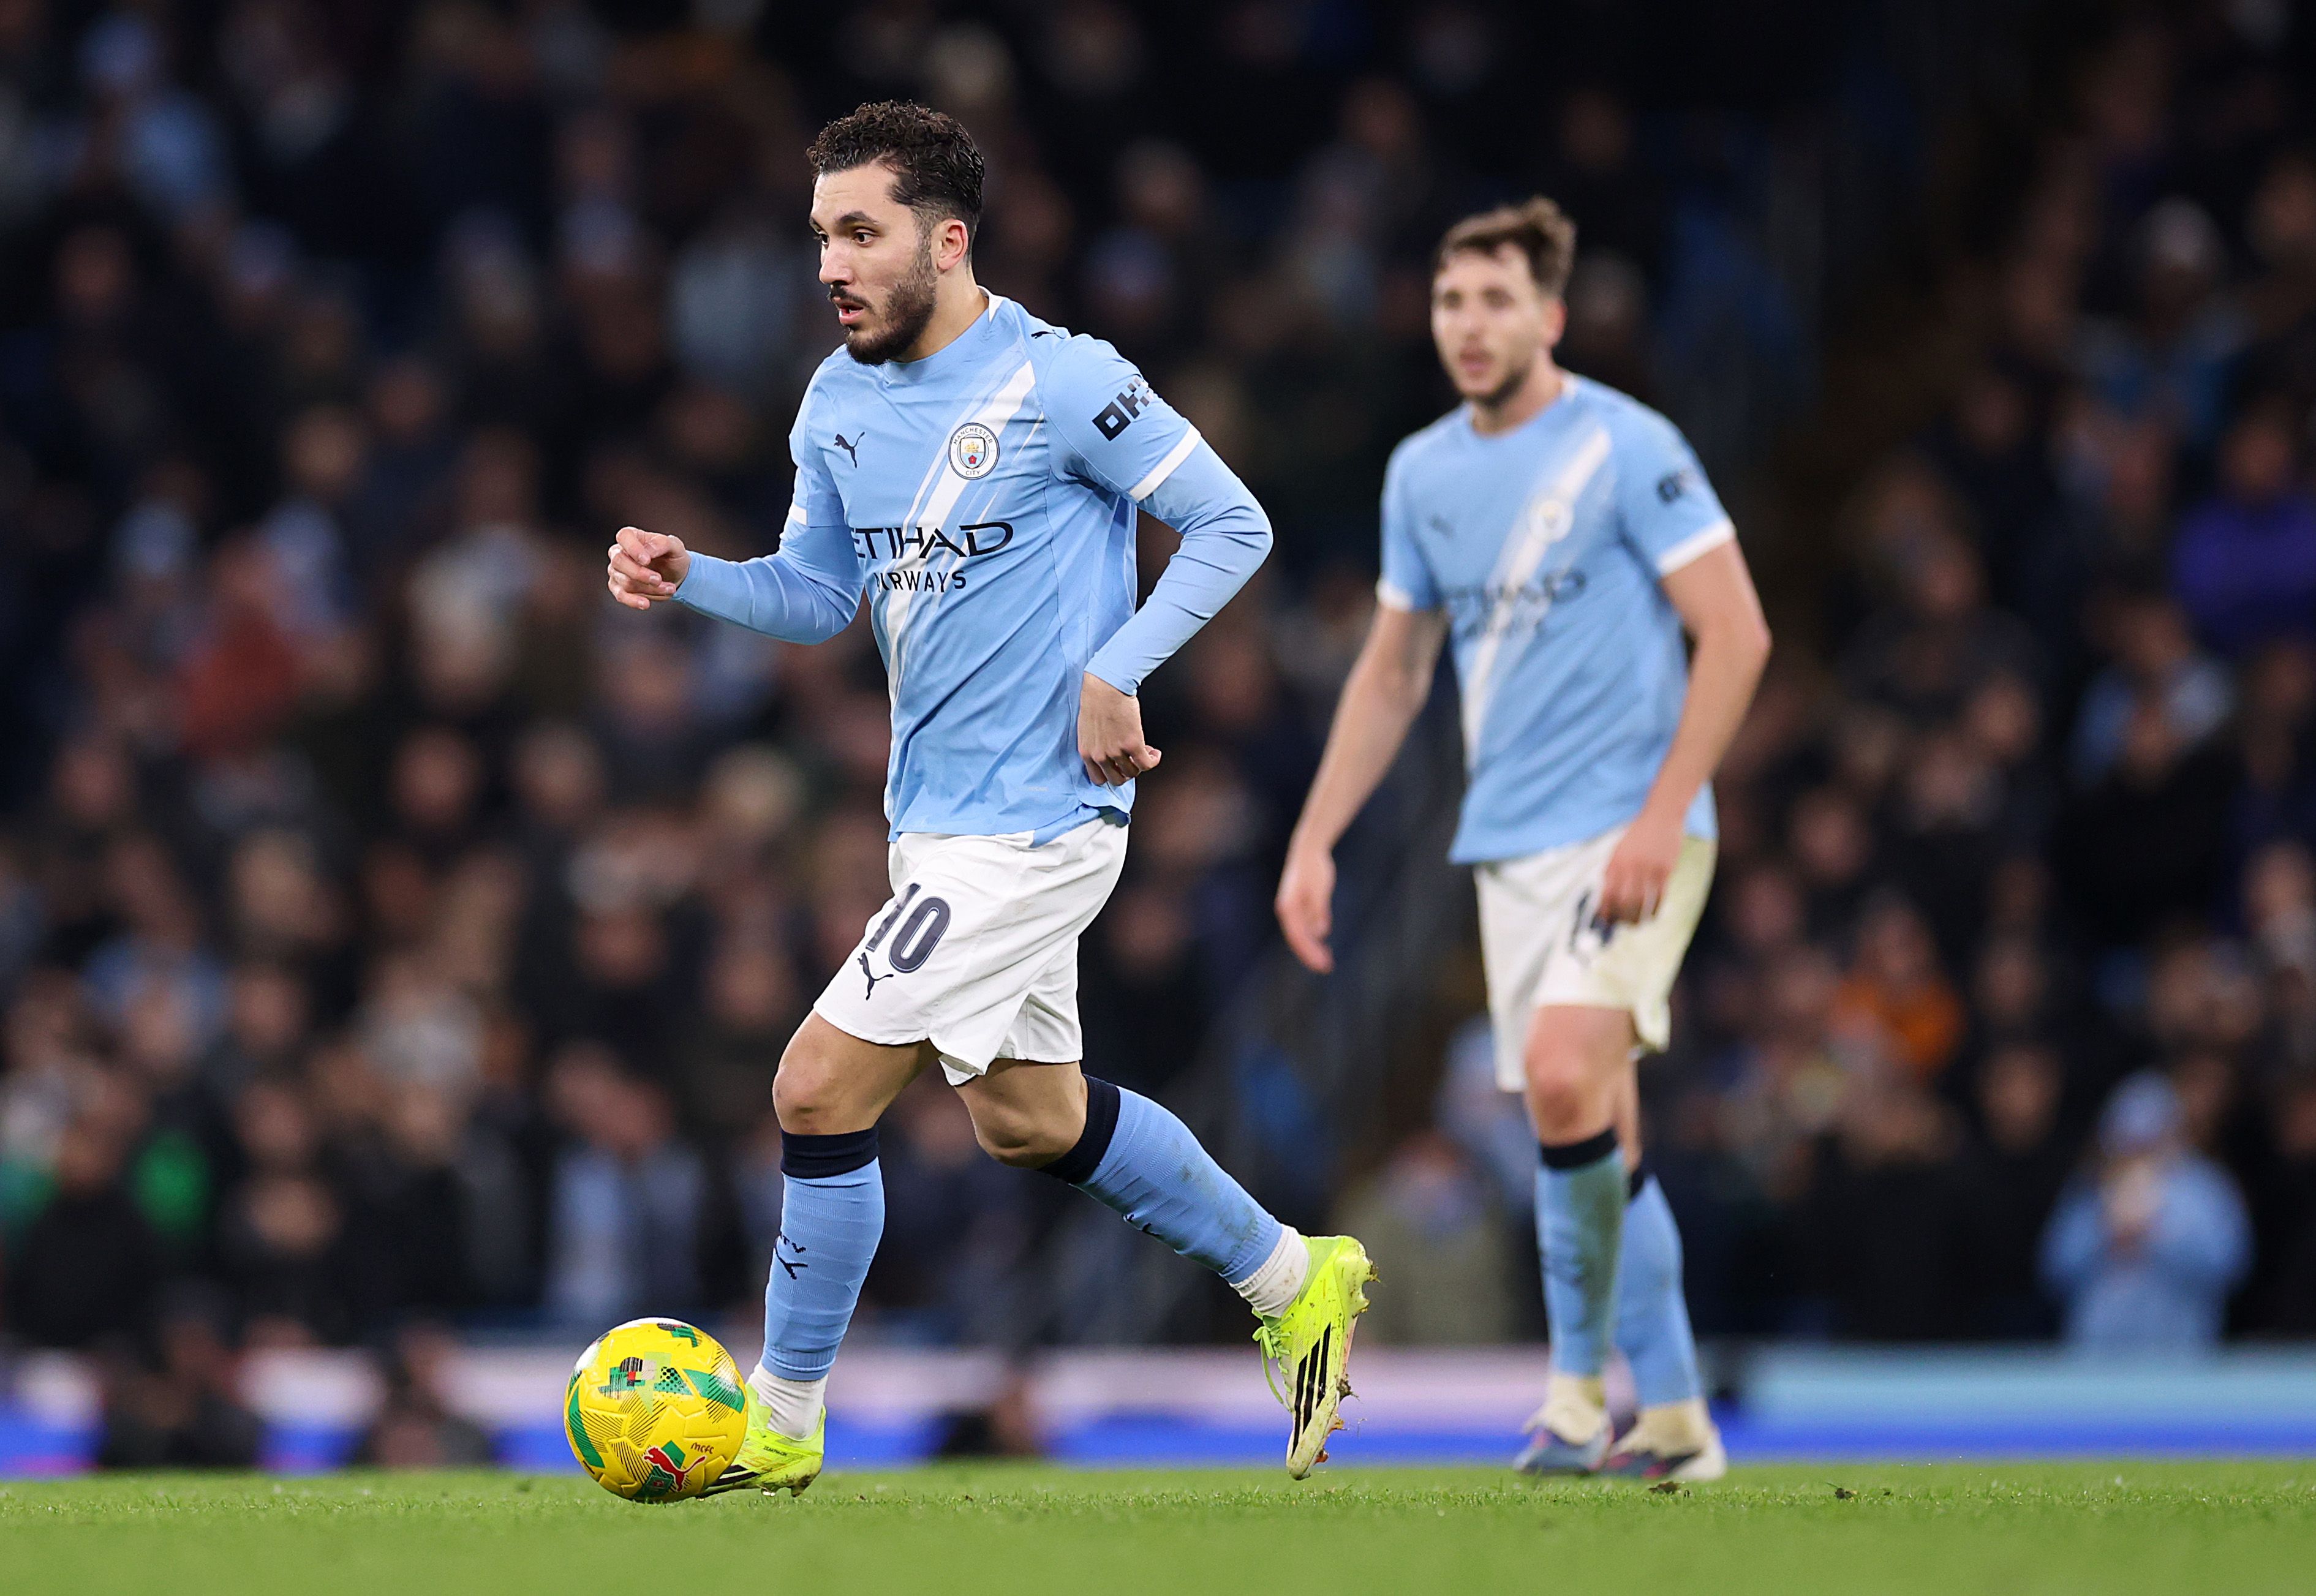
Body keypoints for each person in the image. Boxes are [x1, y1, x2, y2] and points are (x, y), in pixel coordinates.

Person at [605, 101, 1372, 1494]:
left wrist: (1116, 669)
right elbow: (819, 594)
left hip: (1038, 826)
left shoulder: (1061, 378)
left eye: (860, 233)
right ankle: (1291, 1276)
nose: (830, 265)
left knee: (815, 1087)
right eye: (820, 235)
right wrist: (693, 576)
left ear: (947, 241)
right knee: (1029, 1116)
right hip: (933, 829)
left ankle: (779, 1419)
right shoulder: (836, 401)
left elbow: (1233, 523)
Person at [1275, 198, 1770, 1481]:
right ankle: (1677, 1417)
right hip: (1511, 845)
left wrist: (1662, 812)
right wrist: (1316, 838)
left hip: (1634, 829)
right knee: (1602, 1127)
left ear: (1549, 316)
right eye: (1451, 301)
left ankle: (1573, 1399)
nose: (1470, 325)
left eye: (1496, 300)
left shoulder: (1628, 444)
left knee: (1555, 1077)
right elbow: (1393, 672)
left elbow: (1737, 631)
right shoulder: (1422, 473)